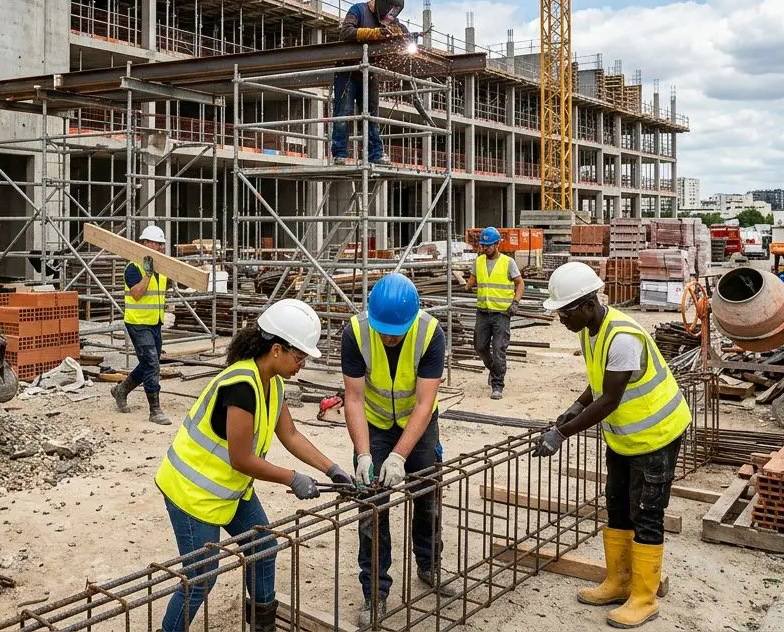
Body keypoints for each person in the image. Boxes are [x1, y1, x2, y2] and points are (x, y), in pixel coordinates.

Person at [155, 299, 352, 632]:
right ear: (277, 349)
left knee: (263, 548)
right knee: (201, 576)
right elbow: (242, 459)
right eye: (299, 356)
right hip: (191, 493)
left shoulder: (271, 383)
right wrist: (292, 478)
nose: (301, 365)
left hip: (230, 489)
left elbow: (289, 433)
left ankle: (263, 625)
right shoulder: (241, 387)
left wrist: (331, 468)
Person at [535, 262, 691, 629]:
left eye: (564, 312)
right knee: (617, 504)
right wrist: (576, 404)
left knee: (647, 513)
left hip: (657, 435)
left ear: (588, 304)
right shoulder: (589, 329)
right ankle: (619, 581)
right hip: (625, 437)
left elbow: (609, 400)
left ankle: (643, 597)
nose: (560, 319)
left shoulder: (622, 337)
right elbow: (598, 382)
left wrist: (561, 433)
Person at [342, 272, 459, 628]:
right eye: (383, 329)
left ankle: (428, 565)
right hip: (375, 423)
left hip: (417, 422)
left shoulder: (429, 333)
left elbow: (425, 404)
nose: (389, 337)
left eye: (396, 331)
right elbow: (354, 398)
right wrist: (364, 454)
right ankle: (374, 593)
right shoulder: (356, 331)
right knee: (372, 505)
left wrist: (399, 456)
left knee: (427, 495)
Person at [333, 0, 408, 166]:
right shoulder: (358, 10)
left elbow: (405, 32)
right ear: (380, 3)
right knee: (343, 113)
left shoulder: (390, 19)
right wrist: (374, 33)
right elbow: (346, 32)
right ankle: (340, 154)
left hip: (370, 73)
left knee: (371, 115)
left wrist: (406, 37)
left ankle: (375, 154)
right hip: (348, 72)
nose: (389, 18)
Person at [111, 224, 172, 425]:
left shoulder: (161, 269)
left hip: (154, 322)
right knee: (152, 363)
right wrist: (147, 274)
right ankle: (155, 410)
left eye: (162, 245)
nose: (161, 248)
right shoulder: (133, 267)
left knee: (148, 363)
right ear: (145, 244)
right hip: (137, 323)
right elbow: (137, 294)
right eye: (157, 244)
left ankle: (121, 390)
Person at [464, 226, 525, 399]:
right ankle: (493, 369)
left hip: (501, 314)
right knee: (480, 346)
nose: (485, 248)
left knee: (499, 349)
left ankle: (497, 384)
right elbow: (474, 278)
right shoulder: (479, 262)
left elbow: (520, 284)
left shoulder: (508, 262)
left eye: (488, 245)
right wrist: (468, 285)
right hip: (483, 312)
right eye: (483, 245)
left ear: (497, 244)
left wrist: (515, 302)